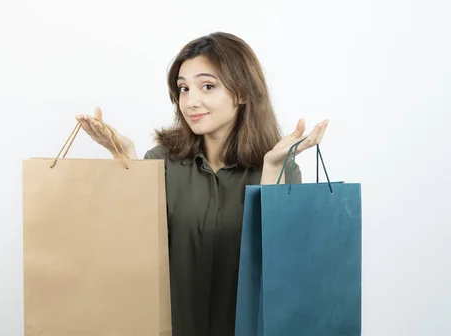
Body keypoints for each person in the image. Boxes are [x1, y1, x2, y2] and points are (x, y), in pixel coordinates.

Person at [75, 32, 328, 336]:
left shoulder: (279, 168)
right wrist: (126, 157)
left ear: (243, 93)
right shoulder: (160, 161)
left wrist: (273, 169)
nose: (191, 101)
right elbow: (134, 253)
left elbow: (279, 269)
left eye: (207, 86)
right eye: (183, 88)